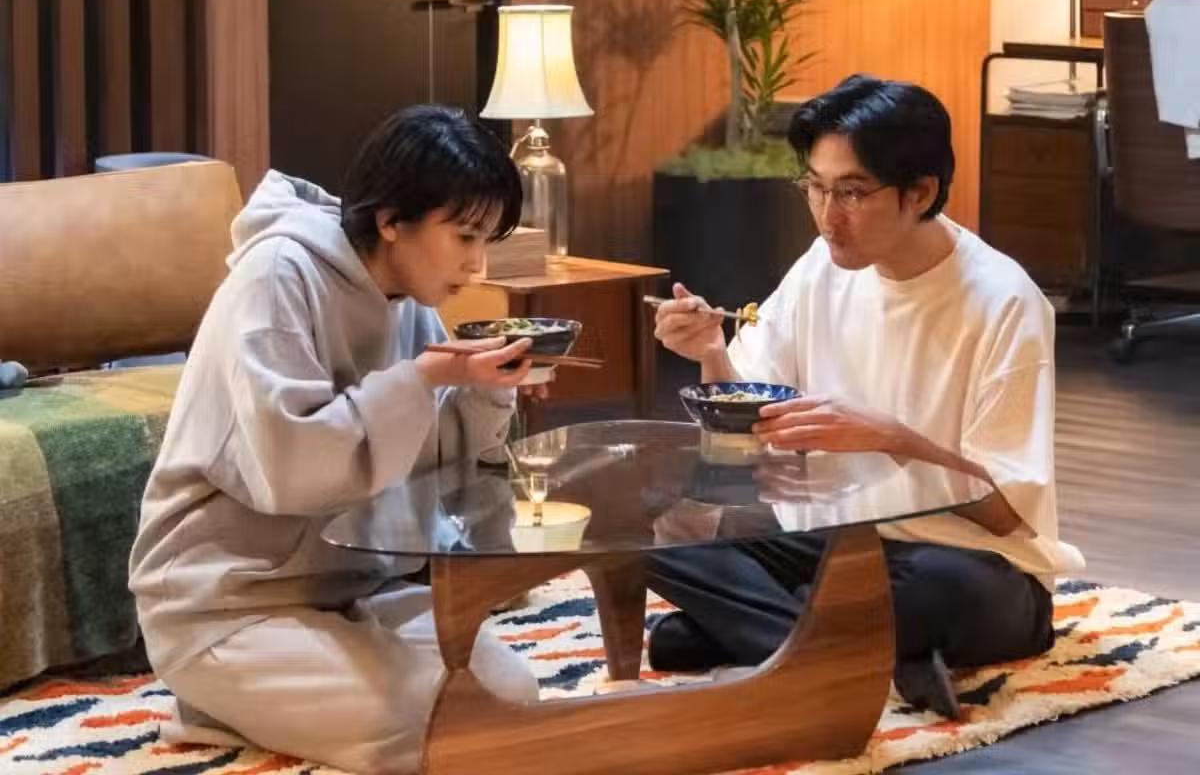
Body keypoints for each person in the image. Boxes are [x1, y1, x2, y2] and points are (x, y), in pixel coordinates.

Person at [648, 74, 1085, 718]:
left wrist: (891, 438)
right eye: (815, 187)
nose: (829, 216)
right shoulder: (819, 267)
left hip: (968, 564)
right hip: (835, 548)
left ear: (921, 192)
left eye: (852, 192)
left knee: (940, 589)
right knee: (653, 534)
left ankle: (769, 635)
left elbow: (1004, 516)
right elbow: (743, 428)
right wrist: (711, 352)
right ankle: (857, 653)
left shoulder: (1004, 300)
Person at [128, 105, 544, 774]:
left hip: (347, 592)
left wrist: (487, 389)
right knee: (443, 729)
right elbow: (290, 467)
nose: (477, 264)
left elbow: (431, 455)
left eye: (486, 239)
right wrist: (421, 379)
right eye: (465, 236)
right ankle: (215, 694)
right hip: (227, 603)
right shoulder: (276, 277)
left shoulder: (410, 302)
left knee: (512, 696)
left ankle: (255, 702)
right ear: (391, 220)